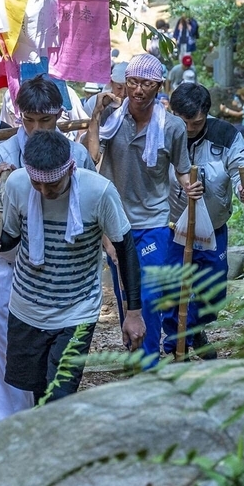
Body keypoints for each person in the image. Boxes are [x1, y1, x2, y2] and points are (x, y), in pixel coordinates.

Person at [0, 131, 142, 403]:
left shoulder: (99, 192)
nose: (43, 192)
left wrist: (133, 312)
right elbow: (10, 237)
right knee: (38, 392)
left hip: (76, 309)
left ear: (70, 169)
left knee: (59, 396)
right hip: (27, 307)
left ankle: (59, 443)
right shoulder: (18, 184)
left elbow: (126, 249)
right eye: (36, 184)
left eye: (51, 185)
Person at [0, 75, 96, 419]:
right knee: (7, 350)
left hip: (64, 272)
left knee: (57, 357)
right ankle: (11, 421)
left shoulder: (76, 154)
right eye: (29, 121)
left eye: (45, 121)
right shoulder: (2, 154)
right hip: (11, 265)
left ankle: (49, 419)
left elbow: (91, 206)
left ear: (60, 115)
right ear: (19, 116)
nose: (36, 129)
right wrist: (6, 185)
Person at [87, 53, 192, 362]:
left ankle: (149, 361)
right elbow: (93, 155)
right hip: (116, 221)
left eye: (147, 83)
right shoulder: (111, 118)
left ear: (159, 86)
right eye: (132, 82)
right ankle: (135, 352)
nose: (138, 90)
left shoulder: (172, 127)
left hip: (155, 221)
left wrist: (191, 187)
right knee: (125, 292)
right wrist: (95, 113)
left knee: (148, 295)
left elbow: (183, 169)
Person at [163, 82, 244, 355]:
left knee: (213, 291)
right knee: (173, 288)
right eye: (184, 123)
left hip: (213, 226)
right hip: (172, 225)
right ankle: (177, 344)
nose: (190, 129)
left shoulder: (225, 134)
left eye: (197, 122)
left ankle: (193, 332)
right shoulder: (162, 131)